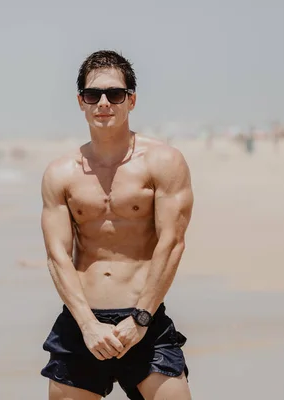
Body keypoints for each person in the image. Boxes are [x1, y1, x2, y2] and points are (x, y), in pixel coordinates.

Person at [40, 50, 194, 400]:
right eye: (93, 95)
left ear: (132, 100)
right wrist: (88, 325)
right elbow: (57, 256)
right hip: (82, 323)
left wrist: (140, 320)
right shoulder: (60, 174)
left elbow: (171, 244)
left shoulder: (164, 162)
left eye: (115, 94)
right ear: (81, 102)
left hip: (144, 319)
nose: (104, 103)